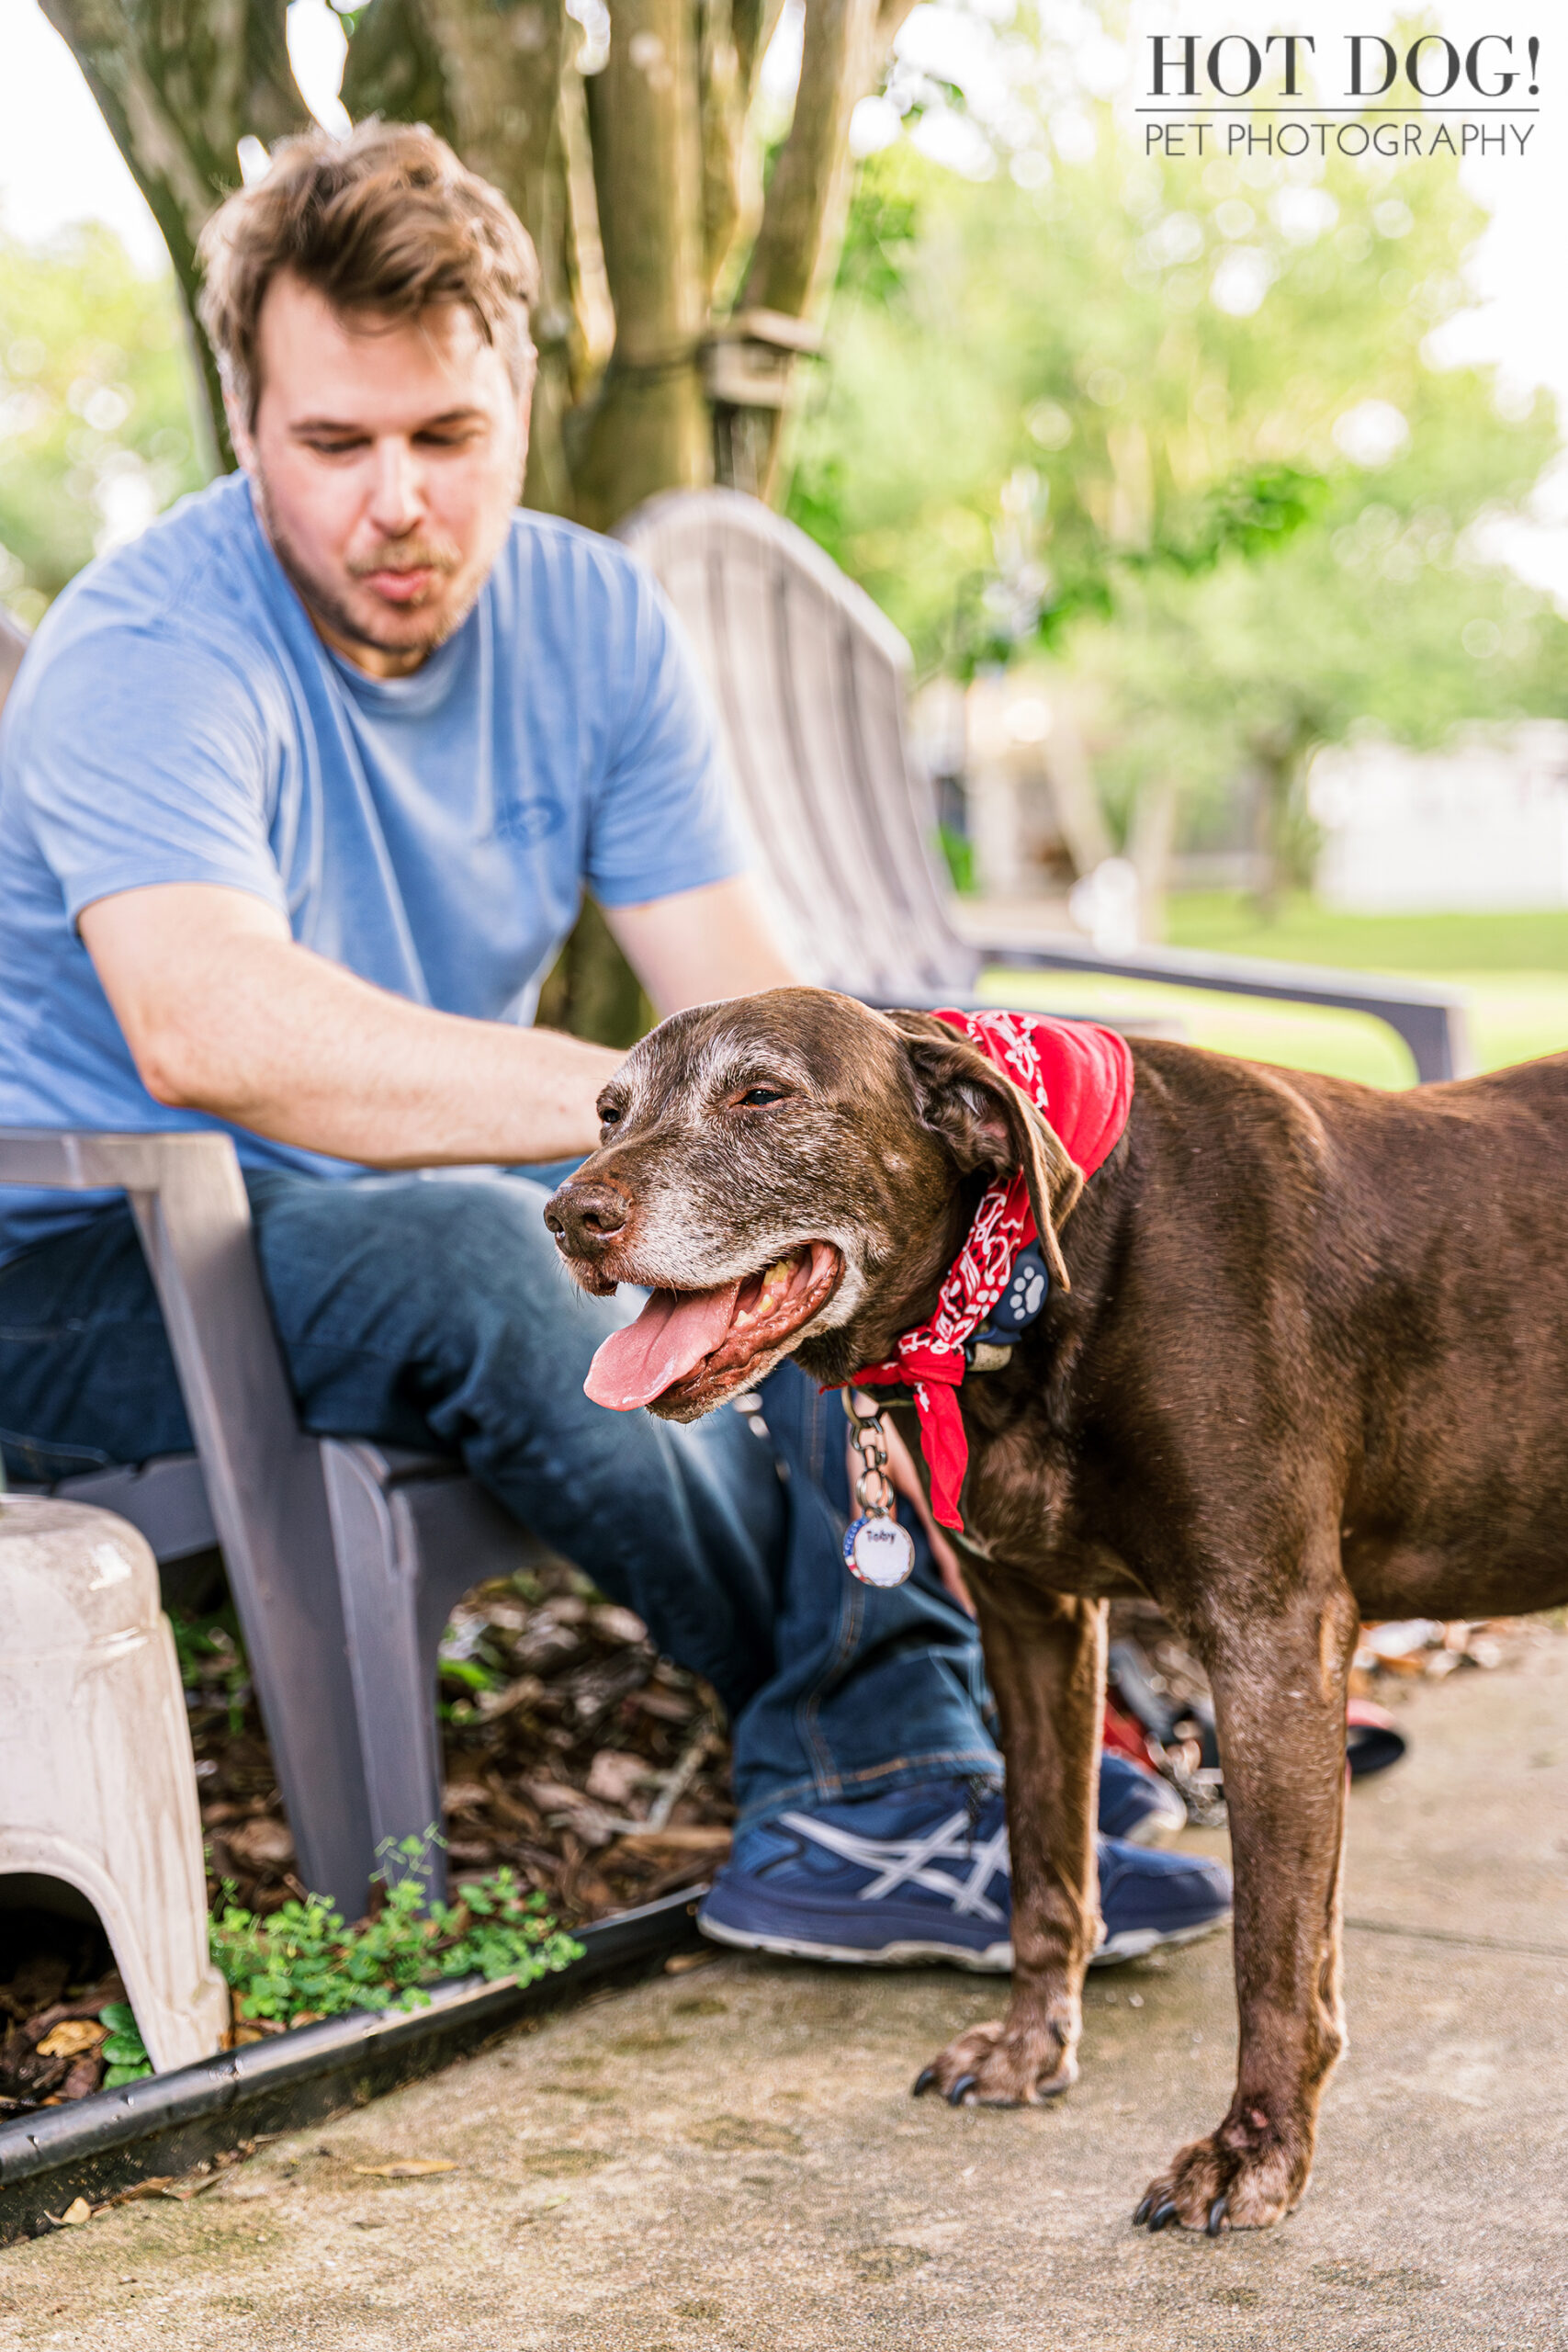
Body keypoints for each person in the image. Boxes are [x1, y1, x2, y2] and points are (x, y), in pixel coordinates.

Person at [0, 122, 1228, 1969]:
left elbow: (765, 1008)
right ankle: (901, 1759)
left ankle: (897, 1766)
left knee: (834, 1200)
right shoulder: (152, 646)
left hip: (362, 1224)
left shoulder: (591, 620)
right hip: (79, 1279)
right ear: (245, 416)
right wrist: (654, 1126)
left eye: (444, 436)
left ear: (521, 397)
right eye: (332, 442)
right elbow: (208, 1026)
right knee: (488, 1240)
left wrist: (784, 1153)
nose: (392, 499)